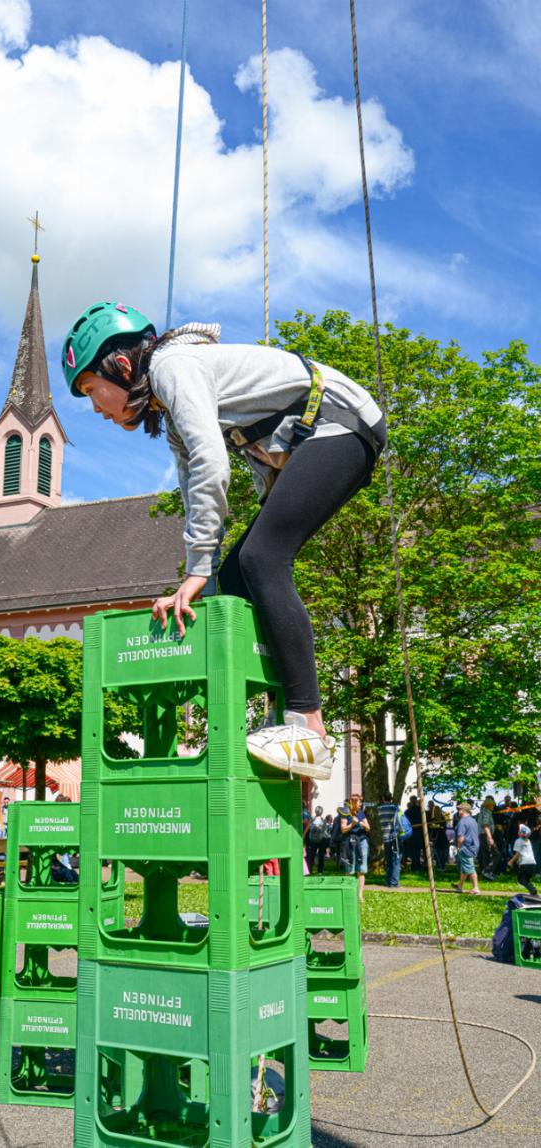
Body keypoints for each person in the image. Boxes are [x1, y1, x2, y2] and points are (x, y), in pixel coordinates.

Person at [62, 304, 386, 783]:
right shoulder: (170, 415)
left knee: (262, 558)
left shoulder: (173, 367)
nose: (95, 407)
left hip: (339, 422)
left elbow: (214, 466)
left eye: (91, 390)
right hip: (314, 435)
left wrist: (195, 571)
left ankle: (308, 728)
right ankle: (276, 721)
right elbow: (196, 490)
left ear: (122, 366)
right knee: (231, 582)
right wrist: (203, 573)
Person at [339, 794, 370, 901]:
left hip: (362, 842)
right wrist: (352, 824)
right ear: (353, 802)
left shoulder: (361, 813)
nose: (361, 804)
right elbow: (343, 829)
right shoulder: (345, 813)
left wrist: (362, 824)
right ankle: (349, 895)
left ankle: (360, 895)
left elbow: (368, 828)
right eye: (359, 802)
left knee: (361, 869)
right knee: (350, 869)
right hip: (350, 842)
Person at [452, 802, 480, 894]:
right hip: (474, 846)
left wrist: (459, 848)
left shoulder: (462, 821)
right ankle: (460, 886)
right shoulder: (473, 820)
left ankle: (475, 888)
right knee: (465, 867)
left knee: (470, 867)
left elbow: (461, 837)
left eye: (459, 809)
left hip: (466, 847)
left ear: (463, 811)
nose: (458, 811)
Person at [377, 791, 402, 888]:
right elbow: (399, 820)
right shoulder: (395, 807)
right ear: (391, 798)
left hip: (385, 837)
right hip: (395, 836)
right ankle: (394, 882)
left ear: (383, 798)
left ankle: (388, 881)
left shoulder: (379, 808)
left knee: (388, 860)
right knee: (396, 859)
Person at [508, 825, 538, 895]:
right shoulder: (528, 841)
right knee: (526, 880)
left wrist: (511, 862)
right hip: (532, 863)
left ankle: (533, 890)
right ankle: (532, 892)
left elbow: (518, 854)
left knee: (520, 879)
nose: (518, 831)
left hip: (525, 863)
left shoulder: (518, 841)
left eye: (519, 830)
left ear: (521, 833)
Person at [477, 795, 499, 880]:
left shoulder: (484, 812)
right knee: (496, 854)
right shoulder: (486, 812)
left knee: (486, 855)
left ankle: (487, 874)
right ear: (489, 805)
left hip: (483, 835)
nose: (493, 806)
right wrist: (490, 837)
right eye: (492, 805)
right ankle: (487, 871)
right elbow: (486, 825)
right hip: (485, 835)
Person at [404, 795, 423, 871]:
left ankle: (414, 865)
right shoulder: (420, 810)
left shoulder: (407, 811)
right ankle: (417, 865)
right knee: (417, 850)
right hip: (418, 832)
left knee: (413, 850)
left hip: (412, 833)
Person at [306, 805, 327, 875]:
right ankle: (320, 871)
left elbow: (309, 828)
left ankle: (310, 870)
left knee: (311, 855)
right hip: (321, 839)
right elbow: (324, 830)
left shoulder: (312, 820)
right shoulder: (323, 821)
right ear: (322, 812)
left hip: (312, 839)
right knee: (321, 855)